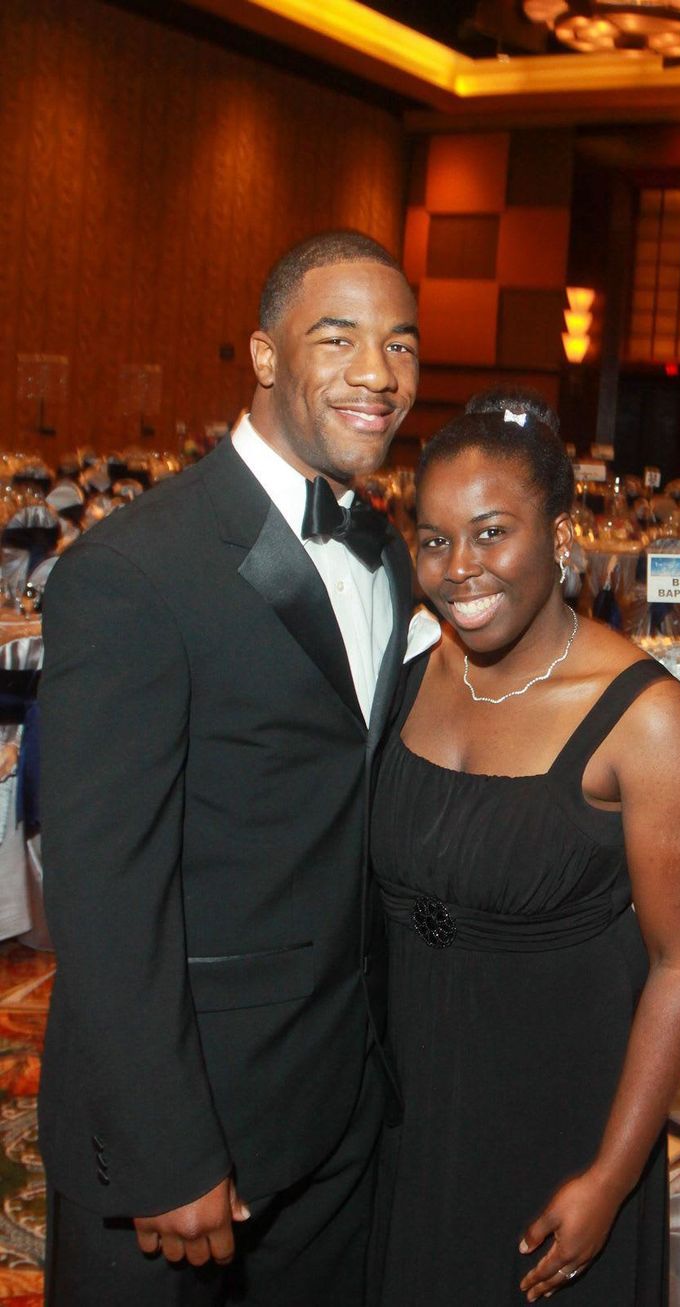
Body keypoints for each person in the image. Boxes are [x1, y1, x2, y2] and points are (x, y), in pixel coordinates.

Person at [39, 229, 421, 1305]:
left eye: (400, 344)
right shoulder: (131, 571)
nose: (377, 373)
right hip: (189, 1122)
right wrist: (167, 1148)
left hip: (337, 1099)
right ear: (263, 356)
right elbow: (106, 893)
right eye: (336, 336)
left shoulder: (386, 550)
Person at [370, 411, 680, 1304]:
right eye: (437, 539)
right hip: (401, 1121)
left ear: (562, 536)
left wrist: (611, 1174)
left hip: (557, 1134)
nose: (461, 567)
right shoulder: (409, 666)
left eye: (492, 533)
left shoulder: (646, 720)